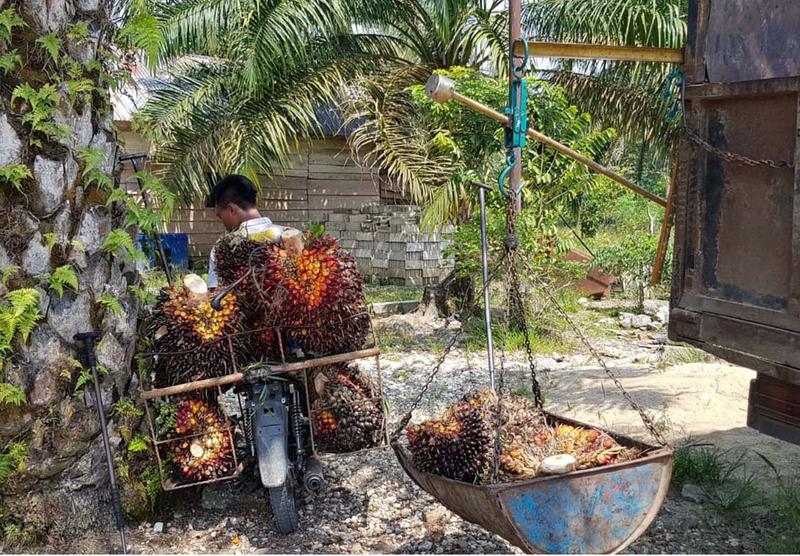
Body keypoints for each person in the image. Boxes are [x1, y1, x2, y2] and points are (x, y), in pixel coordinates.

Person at [205, 174, 286, 289]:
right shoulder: (288, 234)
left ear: (231, 209)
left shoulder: (222, 246)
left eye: (220, 215)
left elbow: (215, 293)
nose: (222, 221)